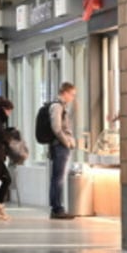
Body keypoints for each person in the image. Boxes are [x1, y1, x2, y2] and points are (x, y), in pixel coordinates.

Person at [48, 82, 78, 220]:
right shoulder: (57, 106)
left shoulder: (61, 106)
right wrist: (67, 142)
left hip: (60, 146)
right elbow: (57, 128)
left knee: (58, 178)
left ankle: (57, 207)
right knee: (58, 179)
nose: (72, 97)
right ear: (65, 92)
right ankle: (57, 208)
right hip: (60, 147)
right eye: (72, 94)